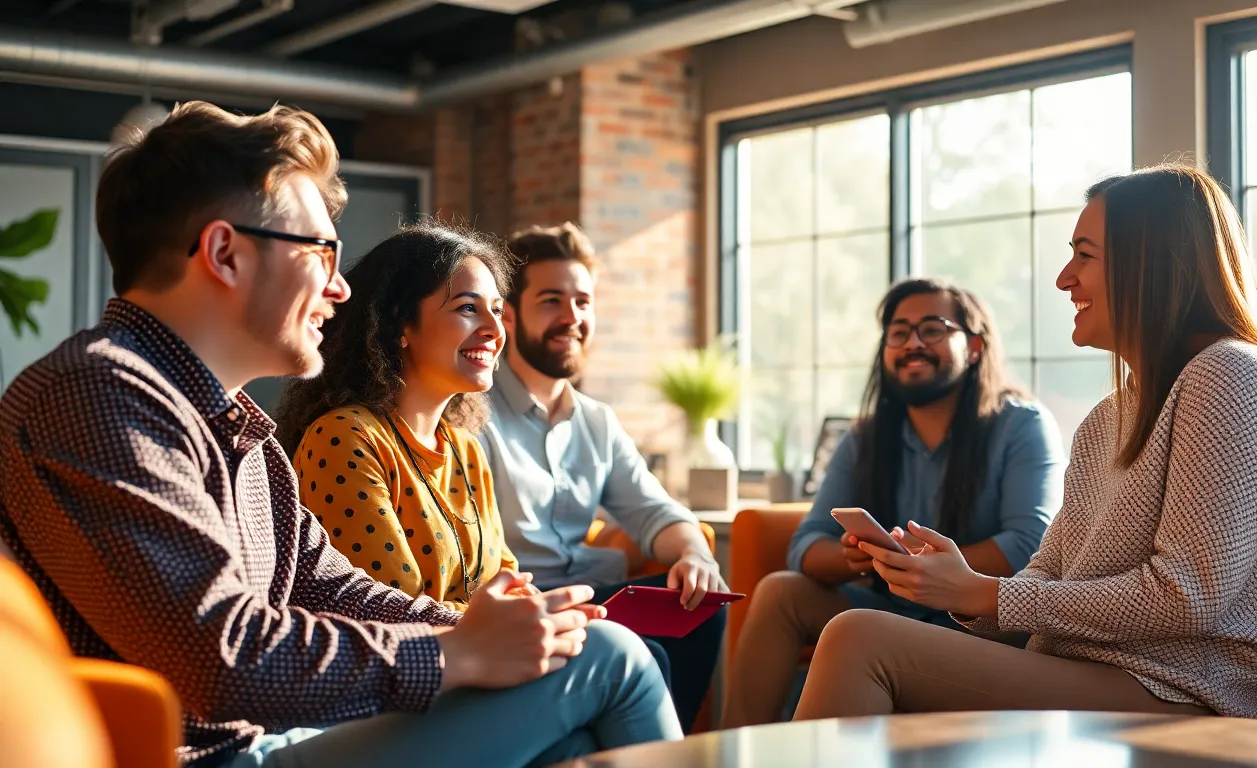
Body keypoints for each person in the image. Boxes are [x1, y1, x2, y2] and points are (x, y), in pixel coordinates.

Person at [0, 101, 679, 768]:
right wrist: (458, 654)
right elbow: (223, 660)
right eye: (321, 252)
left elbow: (331, 588)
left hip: (267, 742)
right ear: (225, 253)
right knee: (611, 661)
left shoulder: (241, 432)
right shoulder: (96, 394)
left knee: (575, 721)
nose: (342, 290)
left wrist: (487, 631)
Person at [791, 164, 1257, 722]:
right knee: (855, 630)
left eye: (1085, 255)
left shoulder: (1233, 378)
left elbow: (1186, 596)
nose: (1064, 278)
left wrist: (987, 595)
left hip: (1179, 695)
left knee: (860, 638)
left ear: (1150, 262)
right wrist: (960, 587)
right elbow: (1050, 571)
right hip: (1084, 669)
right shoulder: (1110, 416)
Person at [721, 278, 1065, 727]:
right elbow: (805, 546)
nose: (912, 344)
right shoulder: (863, 438)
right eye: (898, 333)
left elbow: (1029, 546)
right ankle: (732, 752)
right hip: (888, 606)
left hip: (983, 621)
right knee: (780, 591)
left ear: (975, 346)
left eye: (932, 329)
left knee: (863, 631)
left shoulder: (1021, 425)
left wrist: (933, 574)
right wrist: (859, 557)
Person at [483, 222, 726, 732]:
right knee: (649, 655)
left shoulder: (597, 420)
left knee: (702, 606)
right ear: (508, 313)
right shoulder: (472, 414)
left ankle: (659, 751)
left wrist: (695, 554)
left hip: (598, 595)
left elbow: (653, 511)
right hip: (528, 605)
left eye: (583, 302)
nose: (571, 317)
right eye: (551, 300)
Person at [276, 222, 521, 611]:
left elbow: (507, 579)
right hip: (415, 662)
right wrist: (502, 619)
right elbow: (391, 608)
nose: (494, 329)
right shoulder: (344, 436)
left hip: (490, 654)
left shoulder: (466, 450)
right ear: (400, 323)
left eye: (496, 310)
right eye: (468, 308)